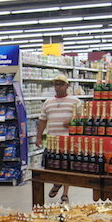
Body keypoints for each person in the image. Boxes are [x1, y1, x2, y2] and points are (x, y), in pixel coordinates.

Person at [35, 73, 81, 203]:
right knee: (52, 166)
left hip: (68, 140)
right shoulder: (48, 102)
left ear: (67, 86)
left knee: (67, 167)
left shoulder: (75, 101)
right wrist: (38, 137)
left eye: (61, 84)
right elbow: (42, 120)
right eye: (56, 84)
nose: (58, 87)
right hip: (52, 141)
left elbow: (83, 118)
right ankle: (57, 183)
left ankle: (65, 194)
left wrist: (73, 120)